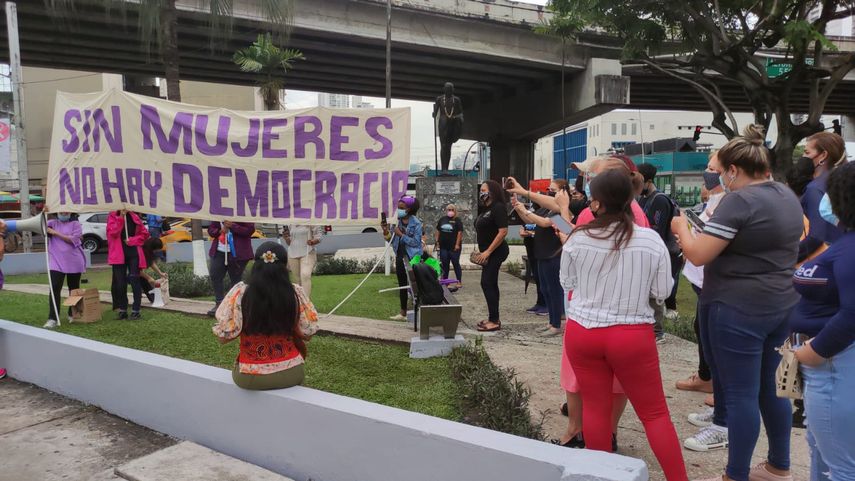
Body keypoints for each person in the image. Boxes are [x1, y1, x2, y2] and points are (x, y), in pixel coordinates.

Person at [672, 125, 800, 480]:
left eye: (719, 169)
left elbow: (698, 255)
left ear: (733, 170)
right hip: (780, 304)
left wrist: (682, 228)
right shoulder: (786, 194)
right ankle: (778, 465)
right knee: (771, 390)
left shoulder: (739, 200)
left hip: (737, 308)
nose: (717, 175)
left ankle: (735, 474)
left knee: (740, 393)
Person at [561, 169, 688, 481]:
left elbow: (568, 282)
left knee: (594, 409)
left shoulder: (578, 239)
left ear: (596, 204)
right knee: (655, 414)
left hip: (584, 331)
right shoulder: (650, 240)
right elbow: (662, 292)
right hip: (632, 333)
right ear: (631, 199)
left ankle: (601, 475)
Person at [792, 160, 855, 481]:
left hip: (833, 365)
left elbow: (852, 314)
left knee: (840, 466)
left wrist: (812, 351)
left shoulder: (850, 249)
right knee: (822, 449)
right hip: (830, 366)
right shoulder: (845, 243)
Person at [213, 241, 319, 390]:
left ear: (255, 266)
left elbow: (223, 337)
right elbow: (307, 334)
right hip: (292, 372)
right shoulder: (296, 293)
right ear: (285, 266)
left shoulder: (240, 294)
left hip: (250, 376)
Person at [676, 157, 725, 408]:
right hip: (700, 275)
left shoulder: (729, 202)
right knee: (701, 326)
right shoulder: (715, 199)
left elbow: (711, 238)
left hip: (713, 276)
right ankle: (706, 376)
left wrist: (683, 230)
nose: (707, 172)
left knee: (714, 331)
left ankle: (722, 386)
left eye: (712, 169)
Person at [512, 180, 567, 336]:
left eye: (553, 190)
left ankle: (557, 324)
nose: (549, 192)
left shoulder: (560, 211)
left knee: (554, 290)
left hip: (553, 254)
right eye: (548, 189)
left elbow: (544, 223)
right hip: (541, 254)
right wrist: (519, 209)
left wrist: (526, 211)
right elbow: (532, 220)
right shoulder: (546, 209)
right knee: (545, 289)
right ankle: (551, 321)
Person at [638, 163, 684, 325]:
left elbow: (659, 230)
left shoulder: (659, 200)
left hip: (667, 251)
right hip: (650, 249)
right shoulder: (641, 199)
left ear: (648, 181)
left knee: (664, 284)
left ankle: (669, 312)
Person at [800, 132, 845, 263]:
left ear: (823, 155)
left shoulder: (815, 188)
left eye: (807, 153)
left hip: (822, 262)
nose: (803, 157)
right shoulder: (844, 181)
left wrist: (787, 258)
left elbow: (816, 236)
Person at [474, 180, 509, 332]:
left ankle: (494, 320)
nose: (481, 192)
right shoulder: (485, 209)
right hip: (486, 252)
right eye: (481, 190)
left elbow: (503, 231)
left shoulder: (498, 207)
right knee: (490, 283)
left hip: (496, 251)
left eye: (484, 190)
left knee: (487, 282)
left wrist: (488, 251)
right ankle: (493, 317)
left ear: (492, 191)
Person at [382, 195, 423, 321]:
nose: (398, 210)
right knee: (402, 284)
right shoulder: (396, 222)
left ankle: (419, 311)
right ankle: (403, 313)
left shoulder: (416, 224)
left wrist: (402, 234)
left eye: (401, 208)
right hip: (400, 256)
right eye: (398, 207)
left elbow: (416, 242)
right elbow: (391, 239)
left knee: (416, 286)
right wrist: (385, 231)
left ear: (409, 209)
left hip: (413, 258)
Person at [44, 212, 87, 329]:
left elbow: (73, 239)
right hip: (56, 262)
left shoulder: (75, 224)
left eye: (66, 211)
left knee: (73, 288)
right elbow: (41, 228)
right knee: (54, 288)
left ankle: (72, 314)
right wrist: (44, 212)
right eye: (61, 211)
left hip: (74, 261)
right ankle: (53, 318)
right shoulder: (51, 223)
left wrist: (56, 233)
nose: (64, 213)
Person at [207, 220, 255, 317]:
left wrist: (233, 226)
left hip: (238, 253)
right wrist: (220, 231)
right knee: (215, 275)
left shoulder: (242, 212)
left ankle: (233, 305)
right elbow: (211, 230)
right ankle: (219, 303)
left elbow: (249, 230)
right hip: (219, 251)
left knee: (236, 280)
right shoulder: (218, 213)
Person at [108, 210, 150, 320]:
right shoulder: (112, 216)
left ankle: (136, 310)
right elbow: (113, 232)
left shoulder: (135, 217)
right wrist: (121, 217)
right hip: (118, 255)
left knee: (134, 280)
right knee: (120, 284)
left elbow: (145, 234)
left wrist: (133, 240)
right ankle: (123, 310)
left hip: (134, 254)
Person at [282, 225, 324, 297]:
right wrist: (286, 238)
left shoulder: (312, 221)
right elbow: (289, 242)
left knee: (305, 275)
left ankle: (306, 304)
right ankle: (300, 303)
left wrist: (312, 241)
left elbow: (319, 237)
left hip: (308, 252)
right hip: (292, 254)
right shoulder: (291, 223)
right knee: (297, 280)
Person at [435, 203, 464, 289]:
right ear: (446, 211)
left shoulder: (457, 220)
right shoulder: (442, 219)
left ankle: (459, 281)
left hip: (454, 247)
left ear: (455, 211)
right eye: (449, 210)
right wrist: (437, 242)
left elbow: (460, 233)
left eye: (452, 210)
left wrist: (457, 244)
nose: (450, 211)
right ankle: (445, 282)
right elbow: (438, 231)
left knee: (455, 263)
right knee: (445, 264)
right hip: (443, 247)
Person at [139, 238, 168, 304]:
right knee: (143, 282)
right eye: (156, 249)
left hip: (138, 273)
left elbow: (151, 262)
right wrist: (148, 278)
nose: (157, 251)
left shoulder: (148, 252)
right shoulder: (141, 251)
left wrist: (161, 273)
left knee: (145, 281)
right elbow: (136, 270)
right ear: (152, 247)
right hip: (130, 273)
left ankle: (154, 299)